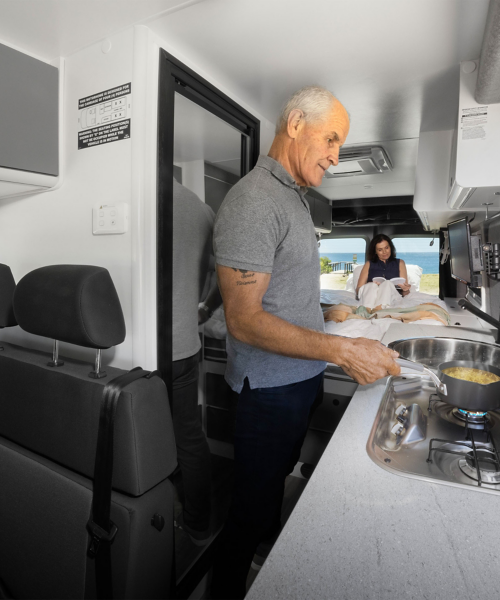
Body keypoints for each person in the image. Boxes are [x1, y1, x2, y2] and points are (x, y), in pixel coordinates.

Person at [210, 85, 401, 598]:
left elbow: (277, 296)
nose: (337, 156)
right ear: (295, 125)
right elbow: (245, 320)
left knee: (271, 496)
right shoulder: (252, 200)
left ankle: (267, 573)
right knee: (248, 513)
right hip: (270, 393)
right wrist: (341, 349)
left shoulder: (292, 199)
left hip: (299, 382)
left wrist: (321, 311)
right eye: (332, 139)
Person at [171, 179, 223, 546]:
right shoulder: (201, 209)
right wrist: (204, 308)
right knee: (188, 436)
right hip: (183, 345)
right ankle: (197, 525)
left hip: (135, 350)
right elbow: (227, 274)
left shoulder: (130, 193)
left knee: (144, 434)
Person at [355, 234, 411, 308]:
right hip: (372, 296)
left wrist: (406, 290)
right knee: (371, 285)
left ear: (390, 247)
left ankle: (382, 309)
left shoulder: (400, 263)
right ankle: (367, 309)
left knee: (387, 283)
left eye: (386, 248)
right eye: (380, 250)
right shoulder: (369, 264)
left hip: (392, 298)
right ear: (375, 251)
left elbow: (405, 293)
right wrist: (371, 284)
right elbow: (358, 289)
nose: (384, 252)